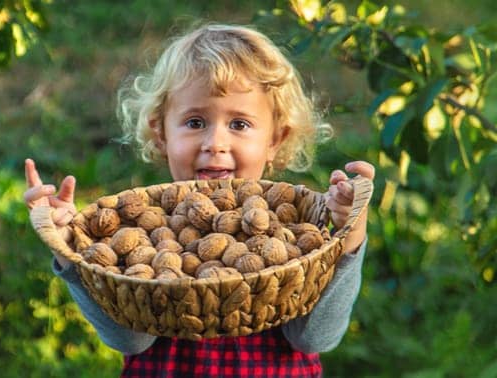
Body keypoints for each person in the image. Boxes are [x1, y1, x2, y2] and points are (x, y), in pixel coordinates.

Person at [22, 24, 375, 376]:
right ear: (161, 134)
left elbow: (314, 338)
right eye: (194, 122)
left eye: (239, 124)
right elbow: (129, 341)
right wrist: (67, 247)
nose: (214, 143)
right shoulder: (144, 229)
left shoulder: (294, 227)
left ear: (275, 139)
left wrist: (351, 231)